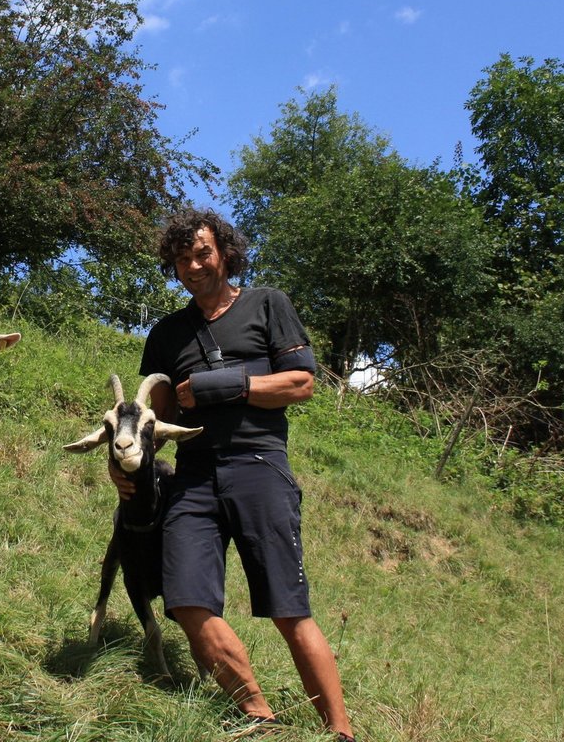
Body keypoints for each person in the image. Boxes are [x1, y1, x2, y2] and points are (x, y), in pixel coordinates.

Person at [112, 209, 355, 740]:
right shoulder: (167, 334)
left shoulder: (267, 304)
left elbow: (300, 384)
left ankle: (339, 732)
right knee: (186, 601)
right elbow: (155, 418)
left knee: (289, 609)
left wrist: (225, 386)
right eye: (182, 259)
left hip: (259, 466)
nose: (194, 265)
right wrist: (128, 465)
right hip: (193, 477)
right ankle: (258, 716)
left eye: (202, 253)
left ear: (224, 251)